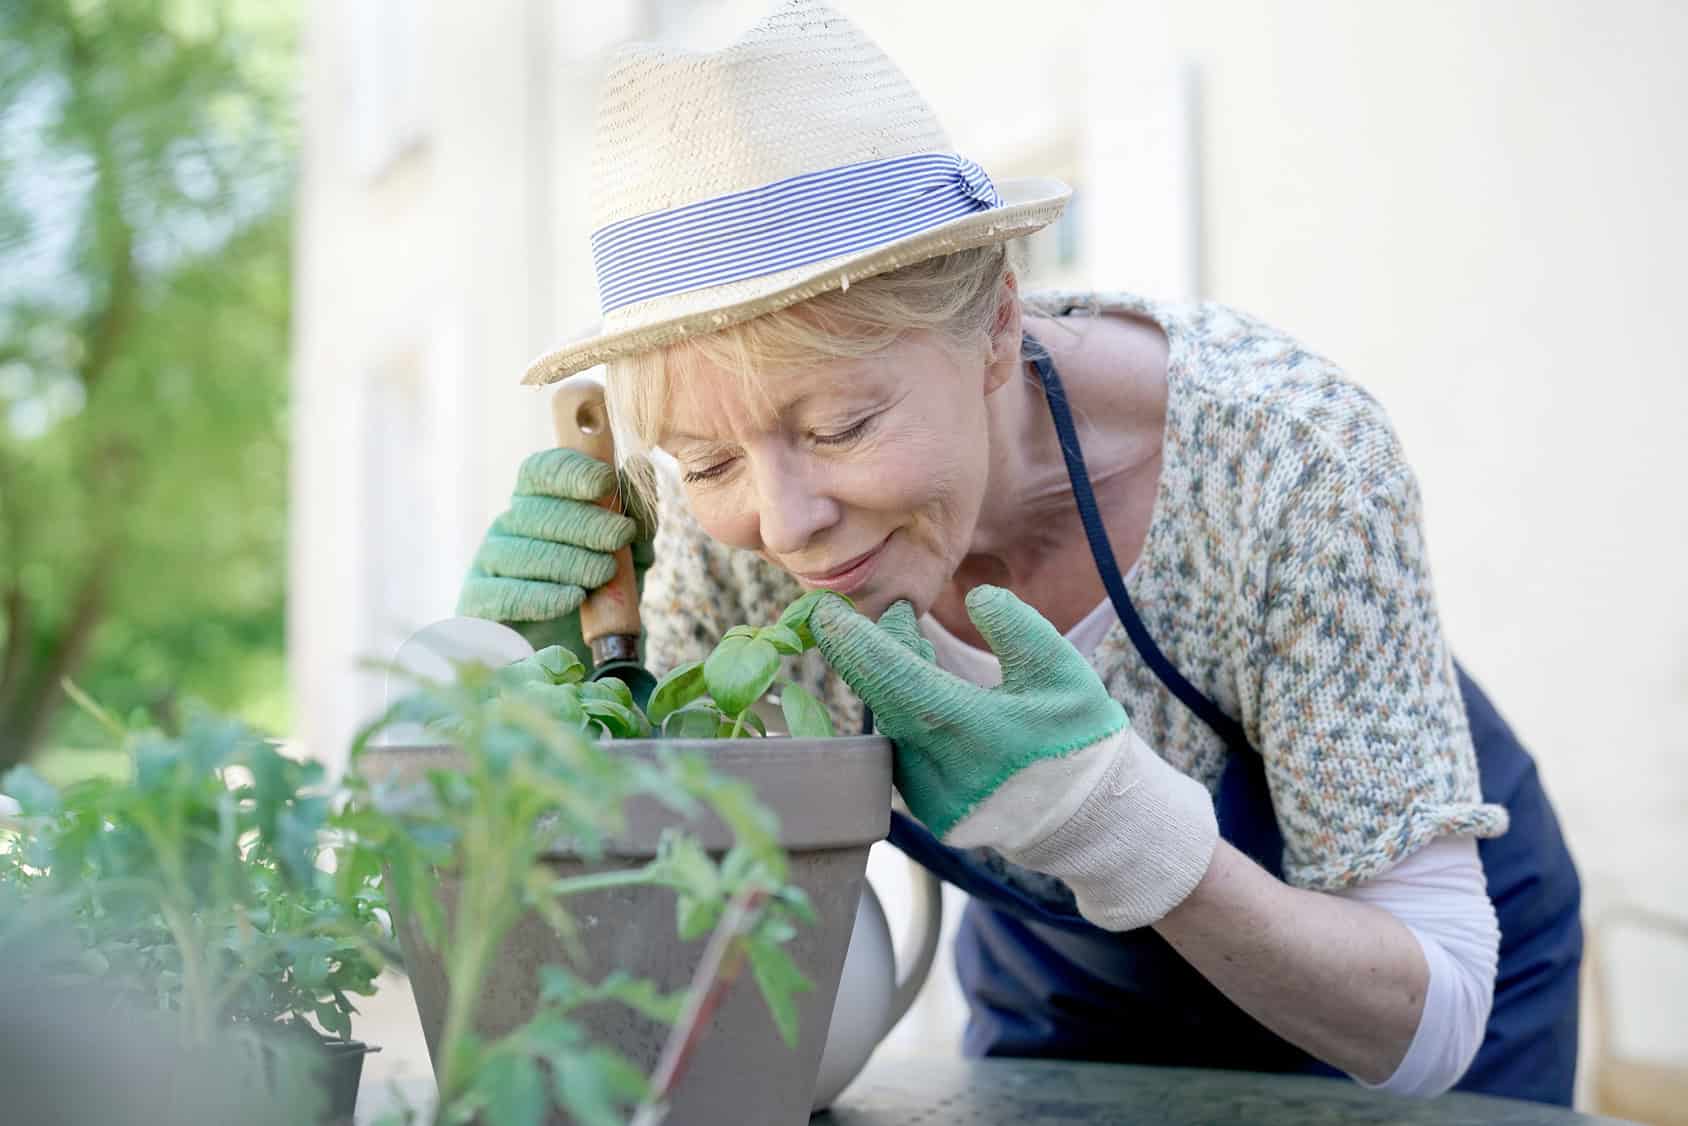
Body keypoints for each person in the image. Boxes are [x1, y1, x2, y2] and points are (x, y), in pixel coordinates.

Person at [457, 0, 1581, 1103]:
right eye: (706, 463)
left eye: (840, 426)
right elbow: (666, 957)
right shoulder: (731, 550)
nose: (784, 520)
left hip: (1394, 979)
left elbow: (1428, 1019)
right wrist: (529, 707)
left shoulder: (1280, 461)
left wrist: (1117, 824)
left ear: (997, 324)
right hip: (1066, 986)